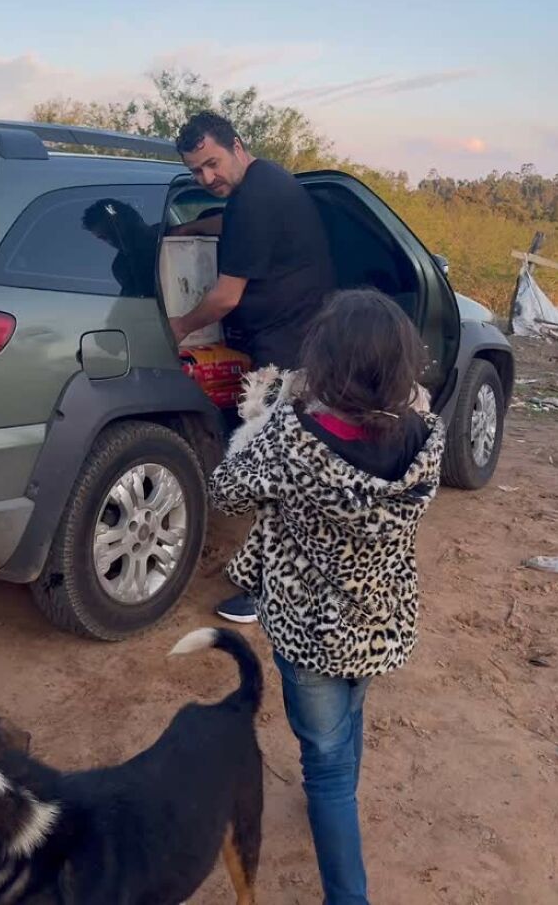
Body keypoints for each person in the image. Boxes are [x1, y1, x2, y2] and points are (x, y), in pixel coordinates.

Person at [208, 290, 446, 905]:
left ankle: (349, 895)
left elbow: (226, 492)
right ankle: (337, 790)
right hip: (380, 621)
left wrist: (274, 437)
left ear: (327, 364)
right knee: (349, 718)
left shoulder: (294, 438)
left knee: (327, 769)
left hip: (310, 631)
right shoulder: (423, 436)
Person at [170, 110, 335, 623]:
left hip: (290, 356)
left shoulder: (258, 195)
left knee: (277, 472)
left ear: (238, 145)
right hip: (301, 344)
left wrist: (177, 327)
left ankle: (272, 591)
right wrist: (189, 226)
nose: (206, 178)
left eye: (212, 164)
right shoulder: (262, 184)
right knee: (294, 470)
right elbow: (233, 224)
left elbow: (223, 297)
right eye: (196, 172)